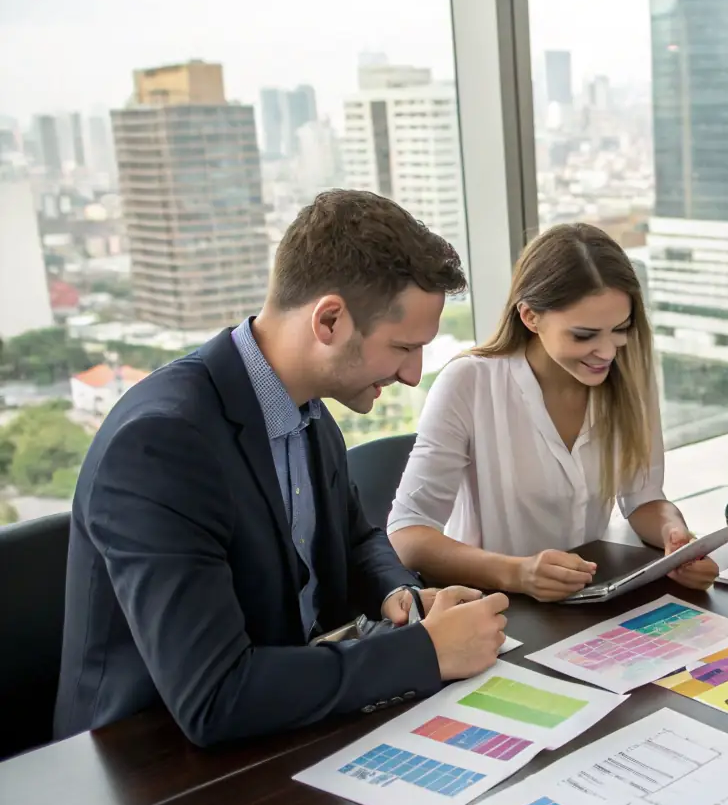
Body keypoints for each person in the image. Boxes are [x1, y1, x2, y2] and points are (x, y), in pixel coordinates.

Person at [54, 190, 510, 747]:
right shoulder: (161, 444)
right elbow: (215, 696)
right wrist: (425, 652)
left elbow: (355, 538)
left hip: (281, 730)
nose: (414, 375)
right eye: (403, 348)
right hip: (146, 771)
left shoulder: (308, 407)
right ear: (330, 321)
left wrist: (400, 597)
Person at [388, 223, 719, 602]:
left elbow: (643, 498)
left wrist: (675, 538)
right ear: (530, 317)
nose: (608, 352)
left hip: (587, 603)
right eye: (584, 335)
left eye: (620, 329)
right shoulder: (470, 382)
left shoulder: (629, 378)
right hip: (494, 610)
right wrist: (520, 573)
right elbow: (408, 535)